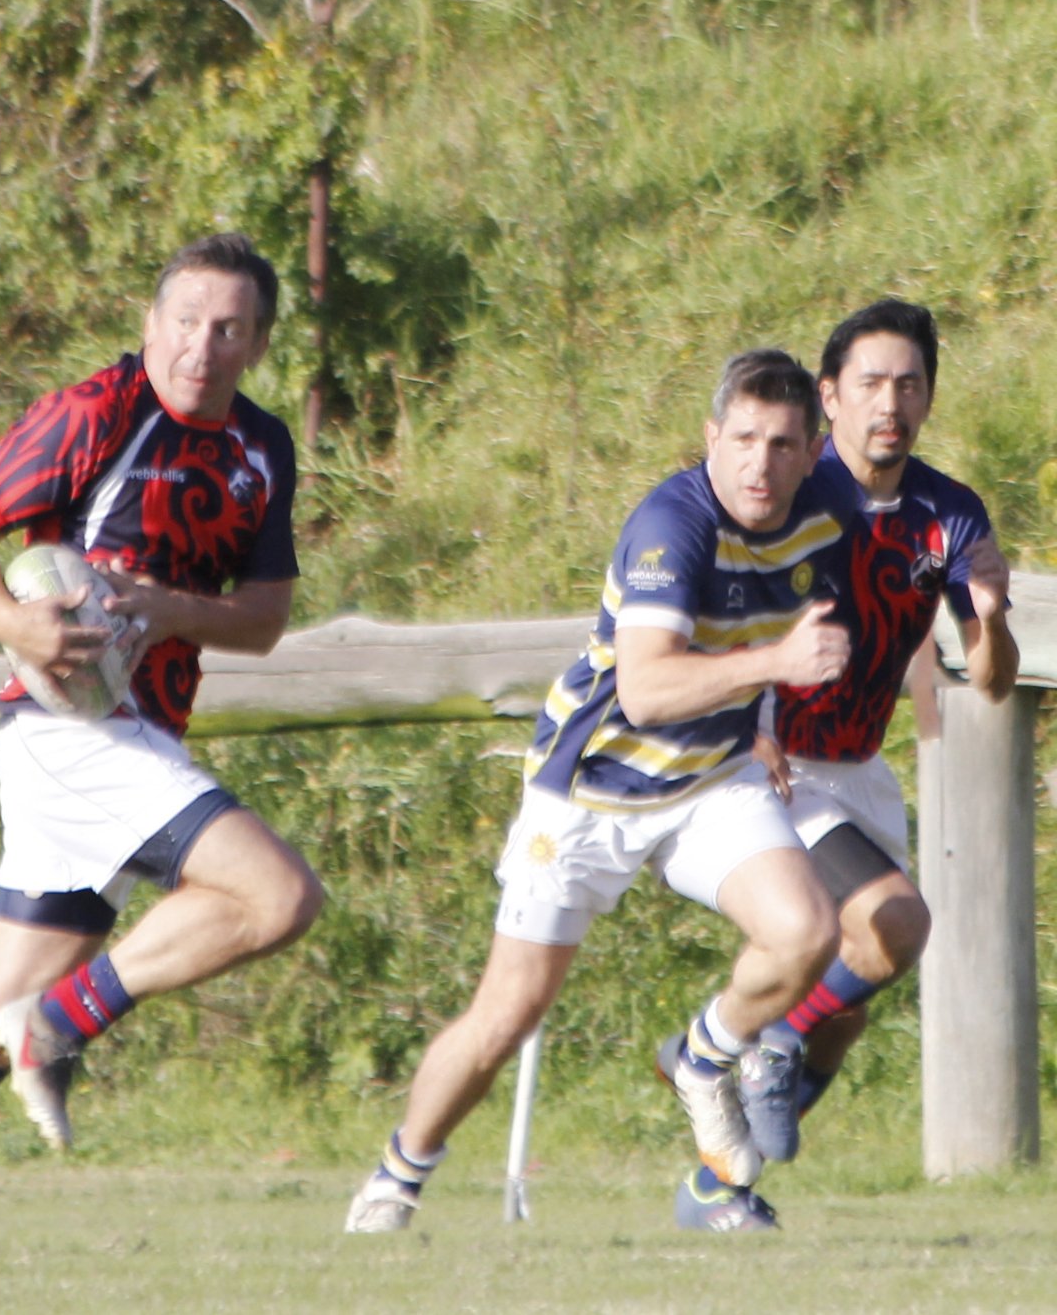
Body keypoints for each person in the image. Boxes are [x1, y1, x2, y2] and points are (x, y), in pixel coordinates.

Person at [0, 232, 322, 1252]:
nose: (199, 347)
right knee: (276, 896)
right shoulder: (96, 412)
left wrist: (161, 607)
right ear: (149, 324)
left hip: (133, 731)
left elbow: (259, 617)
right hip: (67, 726)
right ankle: (62, 1025)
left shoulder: (262, 448)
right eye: (183, 321)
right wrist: (12, 621)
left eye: (226, 329)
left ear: (256, 342)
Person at [345, 349, 854, 1235]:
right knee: (506, 1014)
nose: (759, 464)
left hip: (711, 779)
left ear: (814, 449)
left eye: (781, 443)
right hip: (591, 789)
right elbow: (650, 689)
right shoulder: (670, 523)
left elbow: (772, 628)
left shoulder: (823, 524)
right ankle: (396, 1176)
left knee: (808, 931)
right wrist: (775, 668)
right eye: (743, 439)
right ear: (711, 437)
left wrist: (763, 712)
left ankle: (702, 1057)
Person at [665, 299, 1018, 1231]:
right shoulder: (786, 487)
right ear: (830, 396)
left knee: (851, 999)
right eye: (868, 383)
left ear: (930, 397)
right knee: (896, 923)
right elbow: (701, 603)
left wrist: (991, 610)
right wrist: (752, 721)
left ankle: (718, 1183)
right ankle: (758, 1041)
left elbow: (989, 678)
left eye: (908, 383)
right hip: (776, 760)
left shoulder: (950, 515)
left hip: (858, 768)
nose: (888, 403)